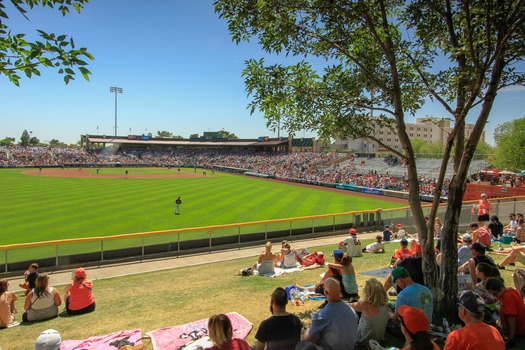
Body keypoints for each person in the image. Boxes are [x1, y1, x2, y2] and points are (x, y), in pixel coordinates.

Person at [296, 278, 358, 350]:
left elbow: (310, 340)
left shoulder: (322, 315)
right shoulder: (351, 311)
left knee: (301, 344)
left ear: (325, 292)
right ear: (340, 291)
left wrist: (306, 333)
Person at [485, 277, 525, 346]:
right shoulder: (511, 290)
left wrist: (511, 337)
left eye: (495, 294)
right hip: (521, 326)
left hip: (519, 329)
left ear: (501, 289)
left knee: (489, 320)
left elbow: (512, 319)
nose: (495, 297)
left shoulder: (507, 297)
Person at [350, 278, 389, 345]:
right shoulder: (385, 306)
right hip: (379, 339)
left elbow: (344, 306)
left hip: (363, 340)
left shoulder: (364, 305)